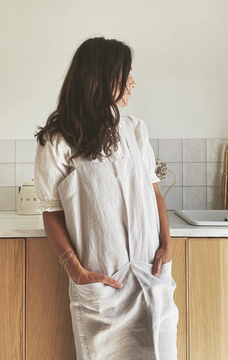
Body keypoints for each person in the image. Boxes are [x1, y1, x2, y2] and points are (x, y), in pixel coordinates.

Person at [34, 37, 179, 360]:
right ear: (99, 77)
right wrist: (75, 269)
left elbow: (153, 191)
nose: (132, 82)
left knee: (160, 350)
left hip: (150, 271)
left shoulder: (135, 130)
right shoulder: (58, 141)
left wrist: (166, 243)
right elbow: (51, 211)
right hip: (101, 281)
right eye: (125, 73)